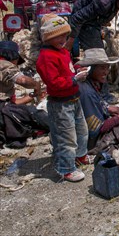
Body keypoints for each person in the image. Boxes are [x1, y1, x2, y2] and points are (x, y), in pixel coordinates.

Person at [36, 14, 90, 182]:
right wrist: (74, 79)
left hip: (73, 99)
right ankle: (66, 169)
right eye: (57, 36)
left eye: (65, 35)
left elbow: (66, 71)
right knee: (66, 137)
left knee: (82, 131)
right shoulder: (46, 58)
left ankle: (80, 156)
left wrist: (77, 69)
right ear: (48, 37)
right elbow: (54, 82)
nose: (63, 39)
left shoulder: (63, 52)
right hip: (60, 104)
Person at [0, 41, 49, 148]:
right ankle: (56, 125)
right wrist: (36, 85)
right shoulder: (3, 64)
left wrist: (31, 96)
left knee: (20, 112)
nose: (16, 64)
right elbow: (22, 80)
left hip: (3, 110)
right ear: (12, 56)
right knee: (32, 112)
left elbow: (12, 103)